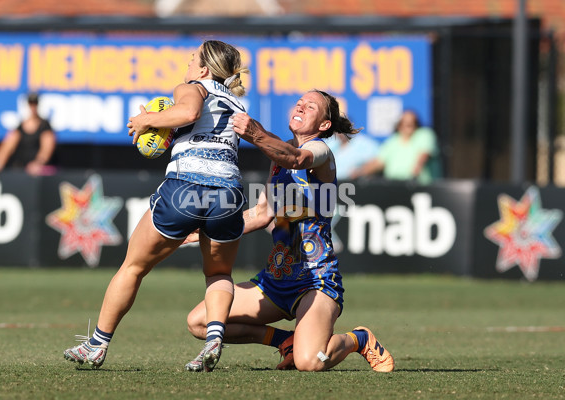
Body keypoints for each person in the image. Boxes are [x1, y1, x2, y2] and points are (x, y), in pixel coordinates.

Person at [62, 40, 249, 373]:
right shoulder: (237, 101)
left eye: (193, 59)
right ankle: (215, 337)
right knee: (219, 273)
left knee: (133, 267)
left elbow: (189, 113)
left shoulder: (192, 87)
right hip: (229, 193)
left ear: (204, 70)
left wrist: (149, 120)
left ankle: (97, 345)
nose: (189, 64)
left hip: (186, 186)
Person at [185, 90, 394, 373]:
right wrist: (206, 229)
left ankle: (358, 339)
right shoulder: (280, 154)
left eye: (311, 106)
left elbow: (297, 159)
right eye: (299, 103)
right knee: (200, 321)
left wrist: (257, 135)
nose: (301, 107)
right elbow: (261, 214)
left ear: (324, 125)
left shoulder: (320, 151)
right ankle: (285, 340)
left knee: (310, 362)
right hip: (276, 280)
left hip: (315, 281)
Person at [351, 110, 441, 184]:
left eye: (412, 123)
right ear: (399, 125)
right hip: (394, 187)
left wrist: (414, 176)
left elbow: (423, 155)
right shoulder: (393, 141)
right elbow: (378, 162)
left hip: (419, 187)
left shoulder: (424, 134)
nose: (408, 126)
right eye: (404, 123)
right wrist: (359, 173)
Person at [0, 92, 56, 177]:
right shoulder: (19, 127)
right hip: (22, 170)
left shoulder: (45, 126)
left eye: (35, 104)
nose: (33, 107)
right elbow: (7, 147)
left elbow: (46, 149)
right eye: (31, 104)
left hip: (40, 172)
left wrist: (38, 162)